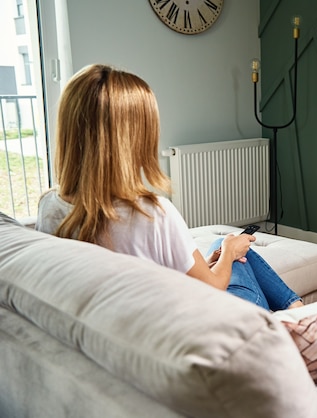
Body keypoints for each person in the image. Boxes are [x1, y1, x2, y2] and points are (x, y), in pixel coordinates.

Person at [35, 63, 302, 311]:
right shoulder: (152, 214)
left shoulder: (49, 206)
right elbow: (214, 289)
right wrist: (229, 254)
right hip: (207, 323)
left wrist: (217, 259)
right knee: (233, 249)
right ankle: (292, 317)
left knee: (226, 243)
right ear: (136, 137)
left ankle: (294, 308)